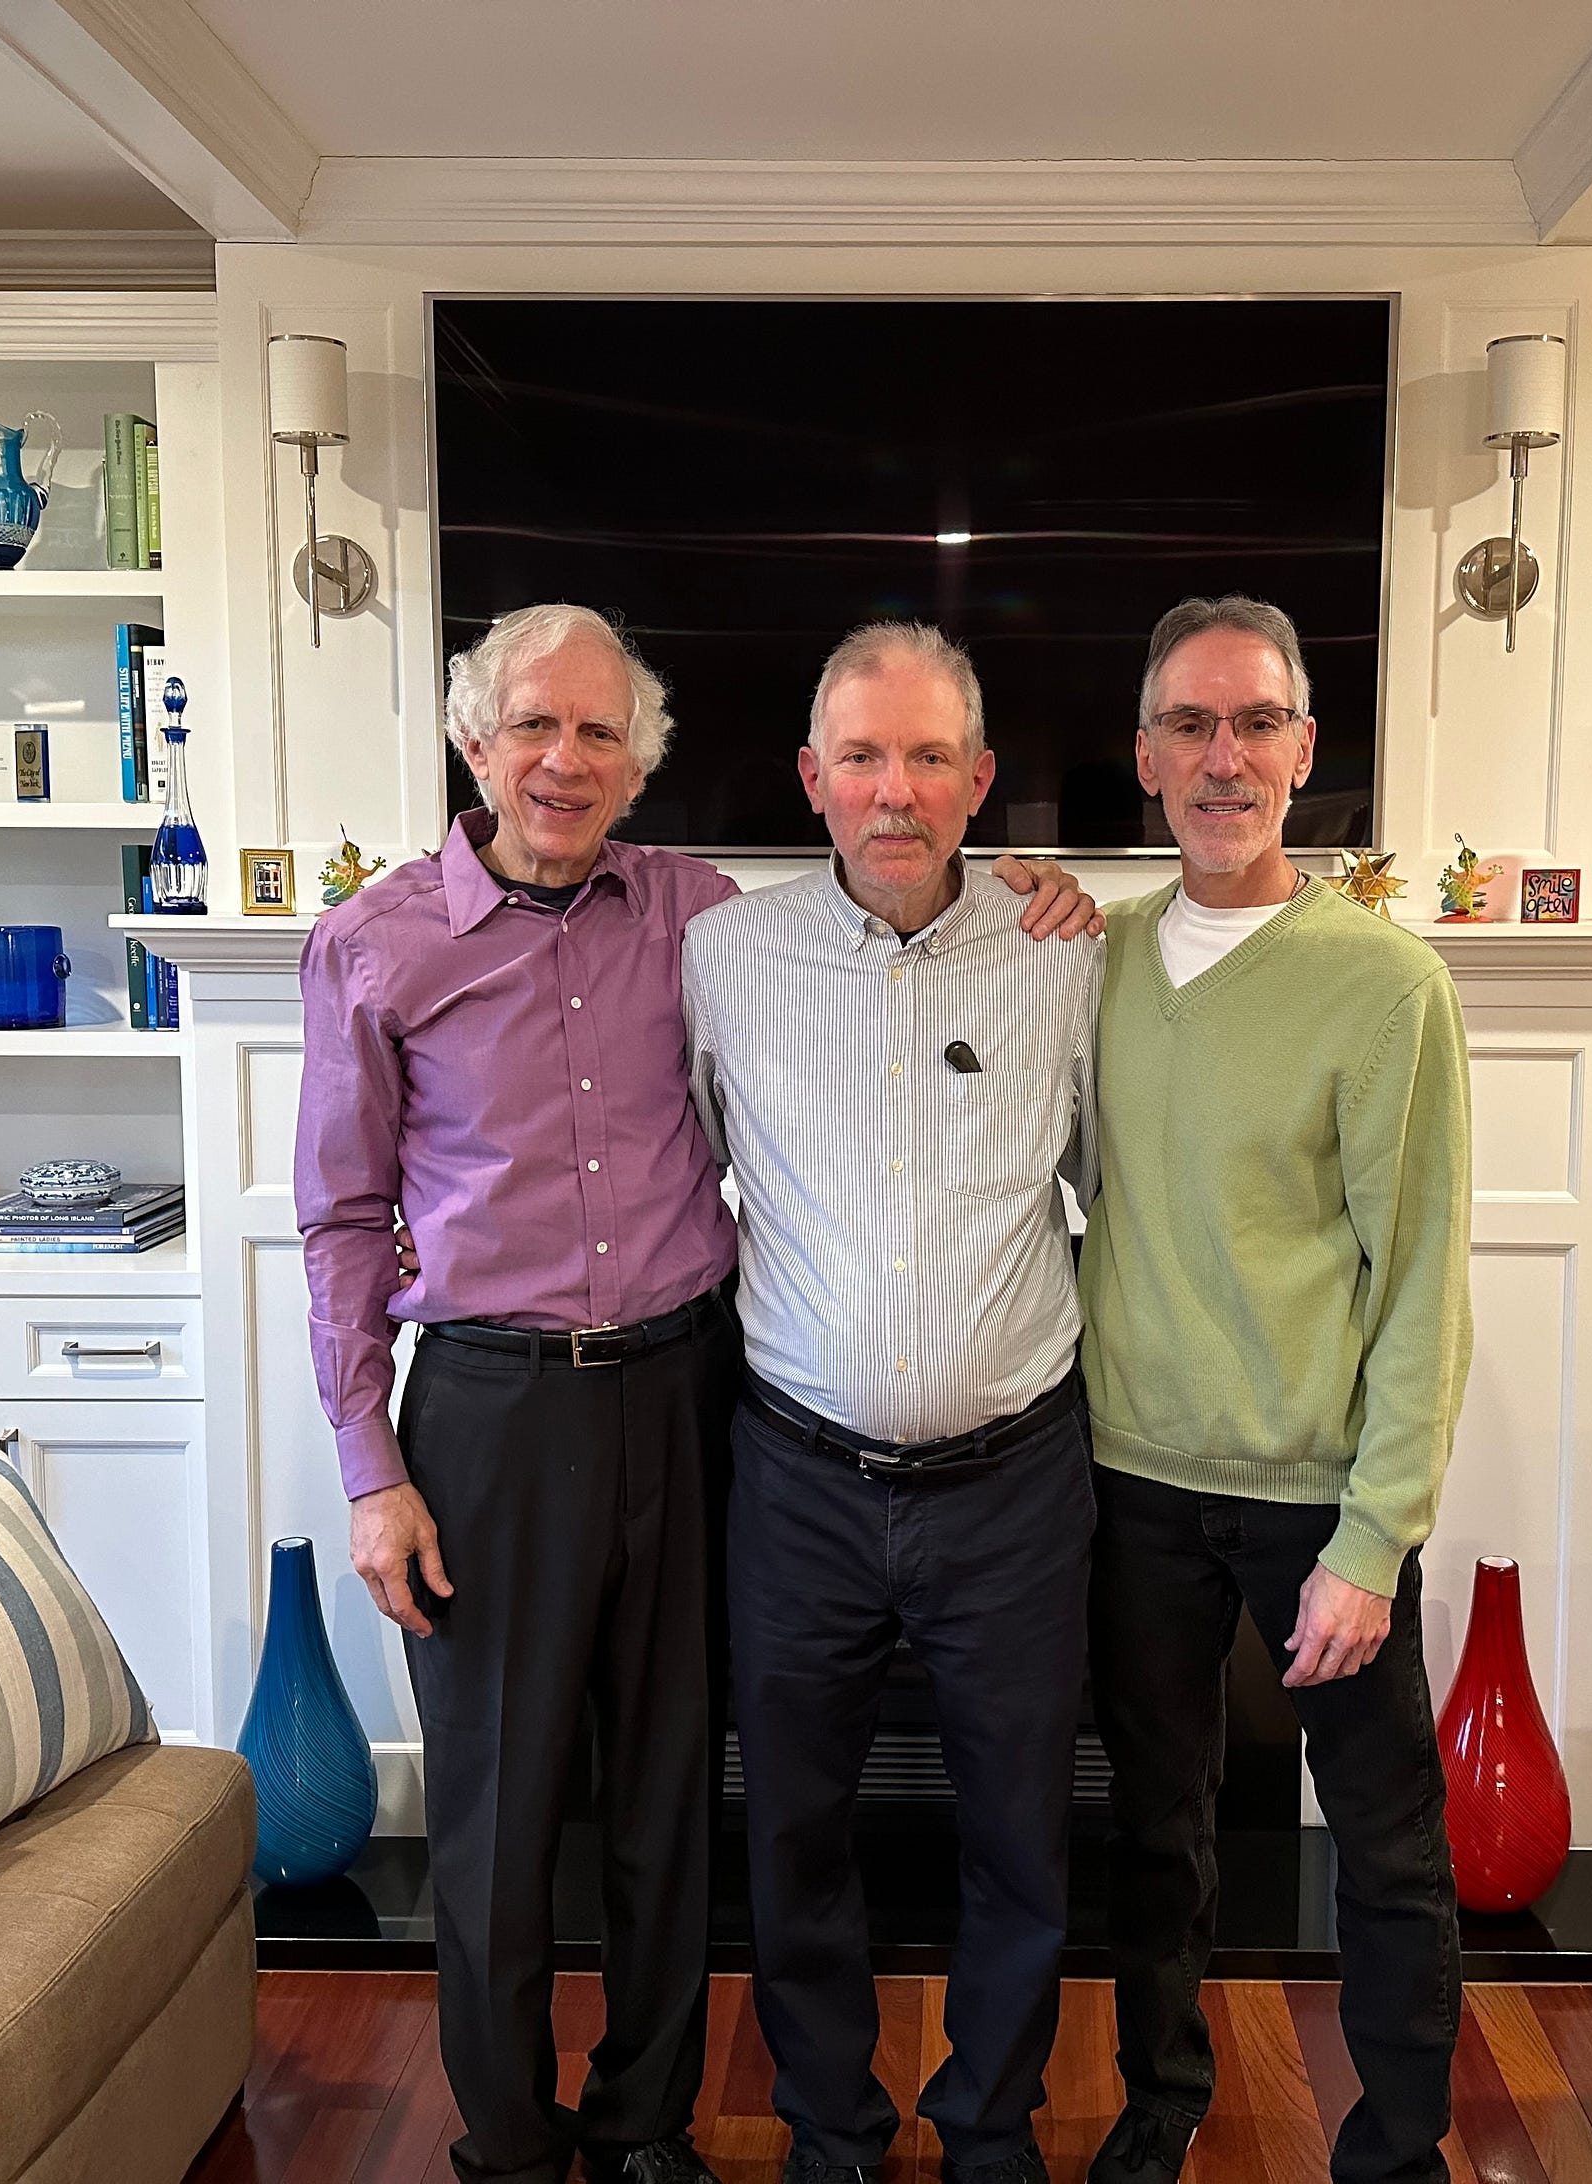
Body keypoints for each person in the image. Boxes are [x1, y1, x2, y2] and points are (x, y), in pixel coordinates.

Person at [294, 603, 1092, 2184]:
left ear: (641, 760)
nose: (564, 759)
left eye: (599, 731)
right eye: (534, 724)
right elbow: (338, 1217)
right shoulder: (380, 942)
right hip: (491, 1412)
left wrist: (1027, 883)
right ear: (473, 741)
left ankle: (648, 2122)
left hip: (683, 1393)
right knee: (500, 1808)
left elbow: (890, 909)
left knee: (672, 1795)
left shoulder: (697, 916)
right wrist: (369, 1464)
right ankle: (511, 2143)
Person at [680, 623, 1102, 2184]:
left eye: (929, 757)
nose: (895, 790)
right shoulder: (725, 964)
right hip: (796, 1481)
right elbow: (679, 1176)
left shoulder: (1070, 958)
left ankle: (990, 2130)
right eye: (862, 756)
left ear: (981, 779)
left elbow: (1112, 1188)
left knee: (1022, 1838)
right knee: (792, 1833)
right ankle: (831, 2135)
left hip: (1015, 1486)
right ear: (812, 777)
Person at [1077, 595, 1473, 2184]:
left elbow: (1423, 1278)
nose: (1222, 758)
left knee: (1385, 1844)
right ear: (1145, 758)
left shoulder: (1386, 986)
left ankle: (1400, 2151)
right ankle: (1160, 2105)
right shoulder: (1091, 962)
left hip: (1320, 1498)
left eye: (1254, 724)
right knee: (1154, 1832)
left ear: (1305, 751)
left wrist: (1375, 1540)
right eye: (1190, 724)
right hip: (1128, 1482)